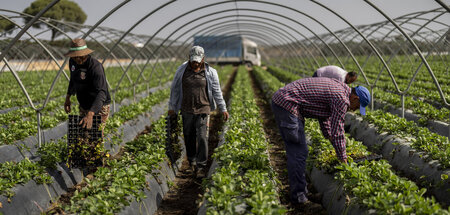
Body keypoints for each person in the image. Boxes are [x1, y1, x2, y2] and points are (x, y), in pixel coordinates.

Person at [271, 77, 370, 204]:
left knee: (299, 151)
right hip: (287, 104)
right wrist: (343, 158)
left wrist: (328, 136)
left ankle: (302, 193)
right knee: (298, 153)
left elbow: (324, 115)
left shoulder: (340, 89)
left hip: (287, 102)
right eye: (357, 106)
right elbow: (338, 131)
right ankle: (299, 199)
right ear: (355, 98)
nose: (354, 110)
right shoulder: (342, 99)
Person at [168, 46, 229, 178]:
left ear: (203, 59)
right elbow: (175, 90)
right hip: (186, 109)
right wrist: (172, 107)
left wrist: (223, 108)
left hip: (203, 109)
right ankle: (192, 162)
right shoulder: (182, 71)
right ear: (189, 58)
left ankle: (201, 166)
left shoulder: (210, 72)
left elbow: (217, 91)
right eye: (193, 60)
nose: (195, 63)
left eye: (197, 61)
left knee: (202, 137)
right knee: (189, 136)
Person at [64, 38, 111, 130]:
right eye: (75, 56)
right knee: (83, 132)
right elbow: (73, 79)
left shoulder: (95, 67)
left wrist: (91, 113)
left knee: (96, 134)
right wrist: (68, 97)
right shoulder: (72, 62)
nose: (78, 58)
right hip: (84, 104)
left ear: (86, 53)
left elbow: (101, 92)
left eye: (80, 56)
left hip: (99, 105)